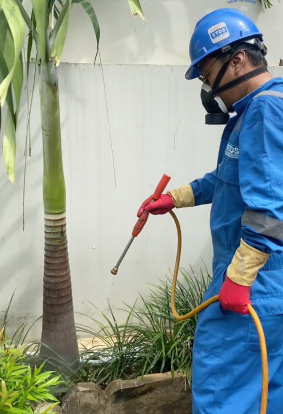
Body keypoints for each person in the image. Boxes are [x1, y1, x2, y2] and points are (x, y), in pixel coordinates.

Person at [138, 8, 283, 414]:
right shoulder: (252, 110)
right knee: (266, 393)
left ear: (237, 59)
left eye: (206, 73)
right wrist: (176, 197)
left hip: (254, 284)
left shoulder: (266, 111)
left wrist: (238, 280)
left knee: (222, 391)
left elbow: (270, 208)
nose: (207, 86)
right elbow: (226, 178)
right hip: (267, 283)